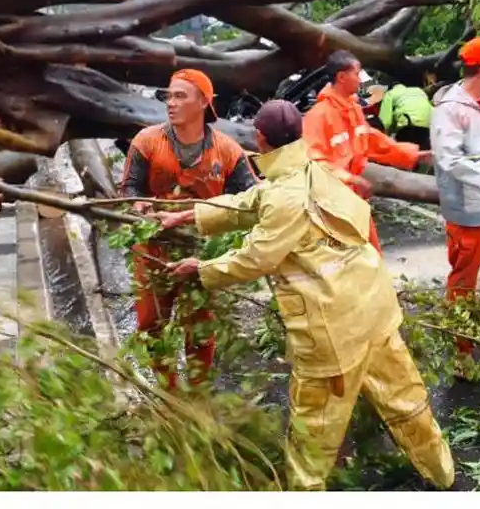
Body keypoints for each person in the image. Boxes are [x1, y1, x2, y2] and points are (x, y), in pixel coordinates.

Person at [157, 100, 455, 492]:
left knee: (313, 430)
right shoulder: (315, 170)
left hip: (332, 332)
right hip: (374, 312)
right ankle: (443, 473)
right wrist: (190, 214)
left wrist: (202, 269)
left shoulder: (285, 195)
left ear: (260, 138)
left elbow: (256, 257)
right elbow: (255, 202)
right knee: (406, 400)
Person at [120, 68, 257, 389]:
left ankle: (197, 395)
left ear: (203, 103)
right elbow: (129, 188)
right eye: (169, 95)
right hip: (154, 250)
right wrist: (139, 208)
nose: (171, 102)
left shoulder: (227, 151)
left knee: (200, 329)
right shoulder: (147, 141)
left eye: (180, 96)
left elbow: (250, 200)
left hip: (201, 252)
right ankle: (167, 391)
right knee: (151, 324)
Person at [303, 50, 431, 253]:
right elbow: (314, 161)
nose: (361, 79)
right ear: (342, 77)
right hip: (332, 203)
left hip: (355, 200)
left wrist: (413, 154)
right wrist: (350, 179)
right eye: (357, 73)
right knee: (348, 259)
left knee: (370, 254)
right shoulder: (318, 116)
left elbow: (372, 140)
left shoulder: (353, 109)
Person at [430, 37, 480, 379]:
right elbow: (449, 160)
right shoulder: (450, 109)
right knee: (463, 284)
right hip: (468, 212)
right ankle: (463, 354)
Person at [367, 83, 433, 151]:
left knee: (405, 154)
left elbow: (385, 122)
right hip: (429, 125)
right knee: (423, 153)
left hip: (408, 126)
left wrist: (384, 142)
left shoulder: (390, 94)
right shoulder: (419, 90)